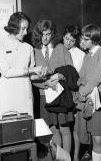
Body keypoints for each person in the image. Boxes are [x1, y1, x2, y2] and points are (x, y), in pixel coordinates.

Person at [31, 19, 74, 154]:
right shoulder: (34, 50)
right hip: (44, 96)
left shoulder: (60, 48)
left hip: (61, 95)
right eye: (42, 34)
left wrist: (60, 76)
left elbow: (71, 70)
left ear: (53, 34)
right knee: (53, 129)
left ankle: (67, 158)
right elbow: (31, 77)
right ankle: (58, 157)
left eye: (48, 34)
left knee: (64, 129)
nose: (44, 37)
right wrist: (44, 84)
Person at [0, 12, 43, 117]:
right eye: (23, 28)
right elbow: (6, 72)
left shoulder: (28, 48)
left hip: (25, 94)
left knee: (26, 128)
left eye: (27, 29)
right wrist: (30, 70)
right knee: (8, 128)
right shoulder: (0, 44)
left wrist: (41, 75)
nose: (25, 32)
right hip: (7, 95)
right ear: (14, 27)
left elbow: (31, 75)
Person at [78, 24, 101, 161]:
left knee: (98, 137)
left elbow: (97, 77)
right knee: (93, 136)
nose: (82, 42)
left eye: (86, 39)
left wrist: (83, 91)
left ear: (94, 39)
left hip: (100, 97)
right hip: (87, 96)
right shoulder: (87, 56)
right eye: (82, 38)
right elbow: (81, 76)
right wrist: (80, 87)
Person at [63, 24, 89, 161]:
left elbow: (79, 77)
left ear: (76, 41)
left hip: (74, 94)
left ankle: (76, 156)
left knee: (75, 129)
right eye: (66, 39)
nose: (68, 42)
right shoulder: (58, 50)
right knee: (64, 127)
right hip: (60, 95)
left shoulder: (80, 55)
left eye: (72, 40)